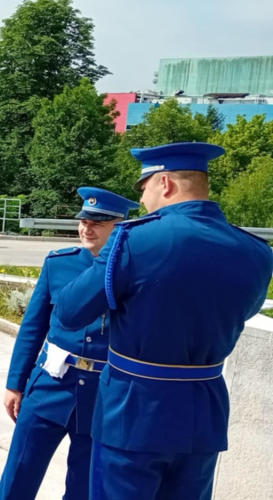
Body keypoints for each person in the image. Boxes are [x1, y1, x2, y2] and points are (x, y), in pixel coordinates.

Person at [51, 143, 273, 500]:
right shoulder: (257, 251)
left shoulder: (132, 239)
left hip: (133, 411)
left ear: (165, 183)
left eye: (145, 189)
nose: (143, 202)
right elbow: (242, 313)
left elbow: (71, 310)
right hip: (204, 413)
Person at [0, 187, 139, 500]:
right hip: (50, 385)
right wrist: (14, 384)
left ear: (119, 227)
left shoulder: (132, 274)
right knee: (17, 478)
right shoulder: (59, 263)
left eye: (98, 223)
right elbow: (33, 327)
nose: (87, 228)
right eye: (84, 220)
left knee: (84, 488)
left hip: (101, 394)